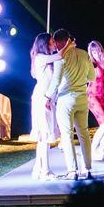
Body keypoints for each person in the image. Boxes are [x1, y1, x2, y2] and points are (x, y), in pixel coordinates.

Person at [47, 29, 95, 179]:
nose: (55, 46)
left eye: (55, 43)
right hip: (81, 99)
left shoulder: (61, 58)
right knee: (84, 134)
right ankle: (87, 169)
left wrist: (47, 96)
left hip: (65, 100)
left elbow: (55, 81)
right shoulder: (84, 54)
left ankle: (72, 171)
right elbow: (92, 77)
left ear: (61, 42)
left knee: (67, 136)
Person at [29, 34, 62, 180]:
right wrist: (69, 45)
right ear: (45, 44)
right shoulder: (40, 58)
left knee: (44, 136)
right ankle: (45, 171)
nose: (54, 44)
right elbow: (60, 55)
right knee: (45, 135)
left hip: (48, 97)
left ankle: (38, 168)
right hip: (42, 98)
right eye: (52, 42)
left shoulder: (46, 59)